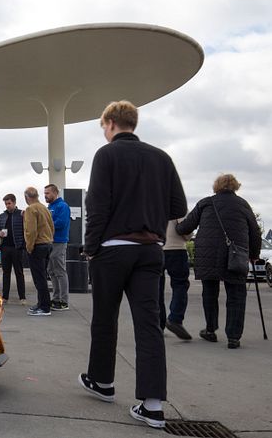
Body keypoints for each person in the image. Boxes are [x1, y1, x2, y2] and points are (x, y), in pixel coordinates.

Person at [77, 100, 186, 429]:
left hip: (112, 249)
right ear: (133, 123)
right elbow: (178, 205)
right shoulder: (161, 158)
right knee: (149, 324)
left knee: (105, 318)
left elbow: (97, 204)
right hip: (151, 249)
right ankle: (153, 405)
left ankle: (102, 381)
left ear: (110, 123)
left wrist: (91, 248)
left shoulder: (106, 154)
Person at [176, 174, 261, 349]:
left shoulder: (206, 203)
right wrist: (253, 254)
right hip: (235, 254)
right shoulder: (243, 204)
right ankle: (234, 337)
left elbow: (185, 227)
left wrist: (175, 227)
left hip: (208, 255)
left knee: (209, 291)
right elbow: (255, 233)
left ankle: (210, 330)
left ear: (216, 186)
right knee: (237, 294)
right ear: (235, 186)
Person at [160, 218, 193, 340]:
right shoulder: (176, 202)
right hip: (176, 249)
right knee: (180, 284)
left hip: (156, 248)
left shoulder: (150, 201)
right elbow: (185, 227)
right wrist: (188, 237)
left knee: (156, 287)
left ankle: (158, 324)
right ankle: (175, 319)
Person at [23, 187, 54, 316]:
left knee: (39, 278)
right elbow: (51, 226)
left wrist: (29, 247)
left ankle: (44, 307)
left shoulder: (31, 209)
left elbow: (31, 231)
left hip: (37, 246)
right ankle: (42, 303)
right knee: (42, 276)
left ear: (26, 197)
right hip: (47, 244)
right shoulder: (44, 208)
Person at [0, 194, 26, 305]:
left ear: (14, 202)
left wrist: (23, 245)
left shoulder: (22, 214)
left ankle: (22, 297)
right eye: (6, 204)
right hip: (5, 248)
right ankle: (5, 297)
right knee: (5, 273)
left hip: (17, 248)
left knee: (19, 273)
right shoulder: (1, 216)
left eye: (9, 203)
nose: (7, 206)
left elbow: (26, 230)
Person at [44, 184, 71, 311]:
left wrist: (45, 225)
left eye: (48, 193)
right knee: (51, 271)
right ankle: (56, 298)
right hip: (49, 241)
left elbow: (61, 223)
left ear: (55, 193)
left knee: (60, 271)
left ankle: (64, 301)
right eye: (45, 193)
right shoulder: (50, 207)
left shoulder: (62, 206)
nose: (45, 195)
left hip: (59, 242)